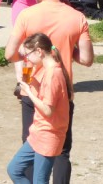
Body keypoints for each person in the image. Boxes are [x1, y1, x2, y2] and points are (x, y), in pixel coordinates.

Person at [4, 0, 93, 184]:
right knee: (61, 150)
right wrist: (66, 50)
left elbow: (9, 54)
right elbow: (87, 59)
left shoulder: (27, 15)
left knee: (31, 144)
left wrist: (26, 60)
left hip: (33, 89)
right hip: (63, 92)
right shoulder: (77, 17)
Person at [6, 33, 71, 184]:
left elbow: (48, 110)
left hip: (48, 135)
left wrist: (28, 92)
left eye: (28, 55)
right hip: (38, 133)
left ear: (39, 51)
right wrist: (32, 82)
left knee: (39, 181)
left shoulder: (53, 74)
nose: (27, 59)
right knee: (14, 169)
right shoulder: (49, 71)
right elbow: (47, 94)